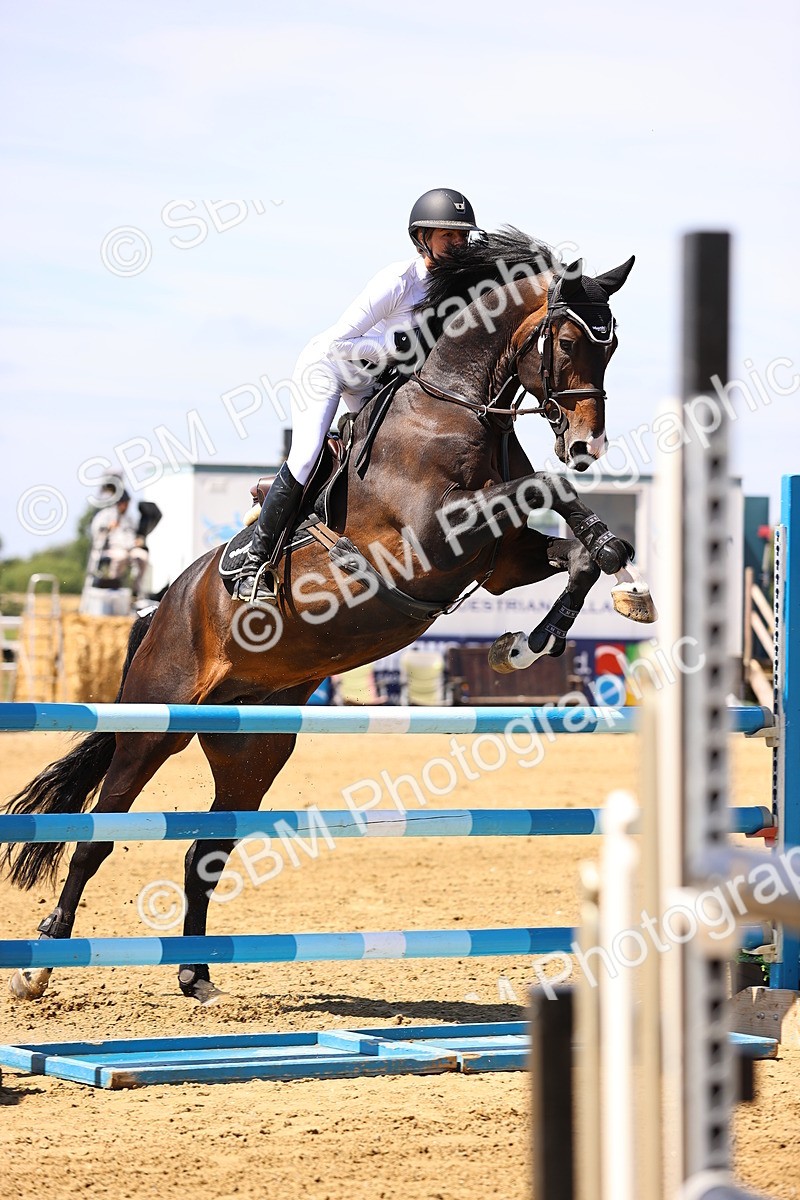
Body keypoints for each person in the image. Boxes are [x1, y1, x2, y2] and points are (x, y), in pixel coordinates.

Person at [233, 187, 480, 604]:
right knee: (308, 454)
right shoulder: (397, 281)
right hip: (328, 368)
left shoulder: (454, 290)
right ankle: (253, 562)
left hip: (373, 380)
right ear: (422, 238)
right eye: (448, 237)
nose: (458, 244)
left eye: (463, 237)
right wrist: (394, 349)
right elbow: (336, 343)